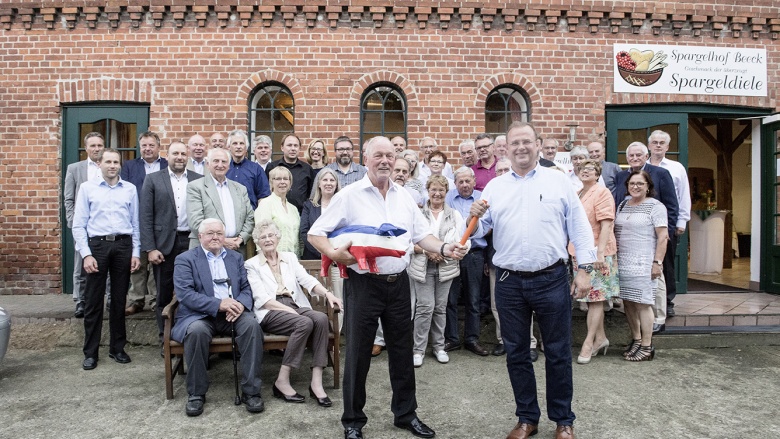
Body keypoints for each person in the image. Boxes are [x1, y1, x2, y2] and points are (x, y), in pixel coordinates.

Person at [308, 136, 467, 439]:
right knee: (357, 356)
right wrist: (335, 254)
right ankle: (353, 421)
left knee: (402, 353)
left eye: (390, 156)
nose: (384, 160)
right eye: (378, 155)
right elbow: (317, 234)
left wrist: (445, 248)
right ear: (365, 158)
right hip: (364, 284)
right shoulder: (350, 195)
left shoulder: (406, 197)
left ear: (396, 161)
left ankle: (405, 414)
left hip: (398, 284)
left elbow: (422, 237)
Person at [468, 122, 595, 439]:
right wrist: (473, 214)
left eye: (527, 142)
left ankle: (563, 420)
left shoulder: (559, 181)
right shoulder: (496, 187)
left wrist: (584, 269)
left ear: (538, 145)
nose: (521, 147)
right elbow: (480, 229)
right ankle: (527, 418)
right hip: (509, 282)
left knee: (558, 352)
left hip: (552, 278)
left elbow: (579, 225)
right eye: (515, 143)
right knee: (517, 353)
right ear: (506, 149)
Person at [172, 218, 265, 416]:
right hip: (200, 315)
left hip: (233, 313)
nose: (215, 237)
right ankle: (196, 394)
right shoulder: (185, 259)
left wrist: (239, 304)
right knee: (196, 332)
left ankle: (252, 391)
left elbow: (247, 288)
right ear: (200, 236)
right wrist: (219, 304)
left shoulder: (235, 258)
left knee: (252, 326)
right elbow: (185, 294)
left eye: (219, 233)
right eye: (210, 233)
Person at [245, 220, 343, 407]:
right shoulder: (251, 265)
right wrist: (289, 310)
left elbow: (306, 280)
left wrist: (328, 294)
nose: (267, 240)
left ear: (277, 237)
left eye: (271, 235)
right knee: (304, 323)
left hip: (296, 304)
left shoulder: (289, 257)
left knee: (321, 319)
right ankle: (282, 380)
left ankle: (316, 382)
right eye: (262, 237)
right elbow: (262, 299)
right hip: (271, 310)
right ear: (257, 241)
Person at [72, 148, 141, 370]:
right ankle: (90, 352)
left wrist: (136, 252)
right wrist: (86, 254)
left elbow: (136, 223)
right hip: (97, 246)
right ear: (99, 164)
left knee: (119, 300)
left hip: (123, 245)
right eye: (108, 161)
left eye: (116, 162)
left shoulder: (129, 189)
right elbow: (79, 224)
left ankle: (117, 348)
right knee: (93, 302)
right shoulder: (87, 188)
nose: (112, 165)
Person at [140, 141, 203, 346]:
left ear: (188, 157)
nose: (179, 157)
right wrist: (150, 248)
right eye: (175, 153)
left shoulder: (199, 179)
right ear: (167, 156)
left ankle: (192, 336)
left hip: (192, 241)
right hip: (163, 245)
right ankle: (165, 339)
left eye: (183, 154)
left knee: (195, 288)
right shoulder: (152, 180)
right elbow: (145, 216)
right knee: (164, 292)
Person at [614, 142, 678, 334]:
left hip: (654, 239)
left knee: (656, 279)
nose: (634, 158)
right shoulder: (621, 176)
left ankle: (659, 317)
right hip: (630, 244)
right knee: (634, 293)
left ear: (646, 155)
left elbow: (671, 206)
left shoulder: (660, 173)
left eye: (638, 155)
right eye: (631, 156)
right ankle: (638, 334)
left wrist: (666, 236)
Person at [409, 175, 463, 367]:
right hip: (422, 267)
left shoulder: (454, 215)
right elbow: (410, 243)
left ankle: (439, 347)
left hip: (445, 267)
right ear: (428, 191)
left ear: (446, 192)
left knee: (441, 308)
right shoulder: (418, 214)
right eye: (433, 189)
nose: (437, 193)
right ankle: (418, 350)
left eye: (441, 190)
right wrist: (428, 251)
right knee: (425, 308)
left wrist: (445, 253)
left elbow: (461, 241)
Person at [614, 170, 668, 362]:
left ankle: (647, 346)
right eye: (632, 184)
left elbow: (663, 237)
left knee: (644, 304)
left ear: (648, 187)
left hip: (644, 262)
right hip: (624, 262)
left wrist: (657, 263)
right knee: (628, 302)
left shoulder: (656, 206)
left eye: (640, 184)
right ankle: (636, 340)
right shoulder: (623, 204)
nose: (635, 187)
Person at [569, 159, 618, 364]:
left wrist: (599, 254)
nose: (585, 171)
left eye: (591, 169)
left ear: (598, 174)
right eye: (582, 169)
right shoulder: (579, 193)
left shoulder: (602, 192)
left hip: (598, 253)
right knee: (589, 298)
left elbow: (606, 224)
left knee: (596, 299)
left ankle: (588, 343)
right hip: (579, 253)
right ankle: (600, 338)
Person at [443, 167, 490, 357]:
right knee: (450, 298)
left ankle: (472, 339)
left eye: (467, 181)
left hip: (475, 253)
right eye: (460, 182)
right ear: (455, 183)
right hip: (452, 252)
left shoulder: (482, 199)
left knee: (473, 298)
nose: (464, 185)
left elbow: (488, 226)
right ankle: (452, 338)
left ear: (473, 180)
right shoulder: (448, 198)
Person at [121, 131, 167, 316]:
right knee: (137, 262)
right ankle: (136, 300)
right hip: (136, 221)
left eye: (151, 145)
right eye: (144, 146)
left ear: (158, 147)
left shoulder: (166, 165)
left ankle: (157, 299)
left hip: (161, 220)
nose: (147, 149)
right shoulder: (130, 166)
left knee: (158, 262)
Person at [647, 129, 691, 318]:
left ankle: (668, 301)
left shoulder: (676, 168)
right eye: (654, 142)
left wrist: (681, 222)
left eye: (661, 143)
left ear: (667, 146)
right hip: (645, 224)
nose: (658, 145)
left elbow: (683, 196)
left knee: (667, 263)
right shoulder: (642, 167)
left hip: (668, 223)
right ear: (649, 145)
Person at [64, 132, 105, 318]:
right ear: (86, 148)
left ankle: (110, 299)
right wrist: (74, 223)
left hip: (104, 225)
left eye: (99, 145)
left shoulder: (109, 166)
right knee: (81, 263)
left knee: (106, 263)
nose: (96, 149)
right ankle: (80, 301)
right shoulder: (75, 169)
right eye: (93, 145)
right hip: (82, 225)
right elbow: (68, 198)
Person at [186, 148, 255, 258]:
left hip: (236, 249)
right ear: (208, 164)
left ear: (229, 165)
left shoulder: (240, 189)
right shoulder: (195, 187)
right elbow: (196, 222)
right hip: (205, 251)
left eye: (224, 161)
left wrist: (240, 239)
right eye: (216, 161)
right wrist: (222, 240)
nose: (220, 165)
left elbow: (249, 218)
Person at [299, 168, 344, 330]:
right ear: (318, 183)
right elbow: (305, 232)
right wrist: (324, 251)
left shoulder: (342, 205)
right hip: (315, 260)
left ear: (337, 184)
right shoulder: (309, 206)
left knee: (337, 297)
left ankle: (336, 337)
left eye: (332, 180)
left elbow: (346, 231)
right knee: (316, 298)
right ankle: (316, 334)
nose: (328, 183)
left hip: (337, 261)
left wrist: (335, 254)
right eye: (325, 180)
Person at [256, 166, 301, 256]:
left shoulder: (293, 208)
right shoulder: (266, 204)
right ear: (271, 182)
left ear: (290, 183)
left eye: (285, 179)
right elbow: (260, 235)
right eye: (278, 179)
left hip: (293, 259)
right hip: (273, 258)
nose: (282, 182)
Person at [266, 134, 314, 214]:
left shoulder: (307, 169)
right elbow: (266, 191)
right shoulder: (272, 167)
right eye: (289, 145)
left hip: (301, 214)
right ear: (282, 148)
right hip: (276, 213)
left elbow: (311, 194)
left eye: (296, 146)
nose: (293, 148)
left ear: (299, 148)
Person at [226, 129, 271, 210]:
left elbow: (263, 197)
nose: (238, 147)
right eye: (235, 143)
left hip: (250, 217)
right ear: (229, 147)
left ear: (246, 148)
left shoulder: (256, 169)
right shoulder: (223, 168)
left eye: (242, 143)